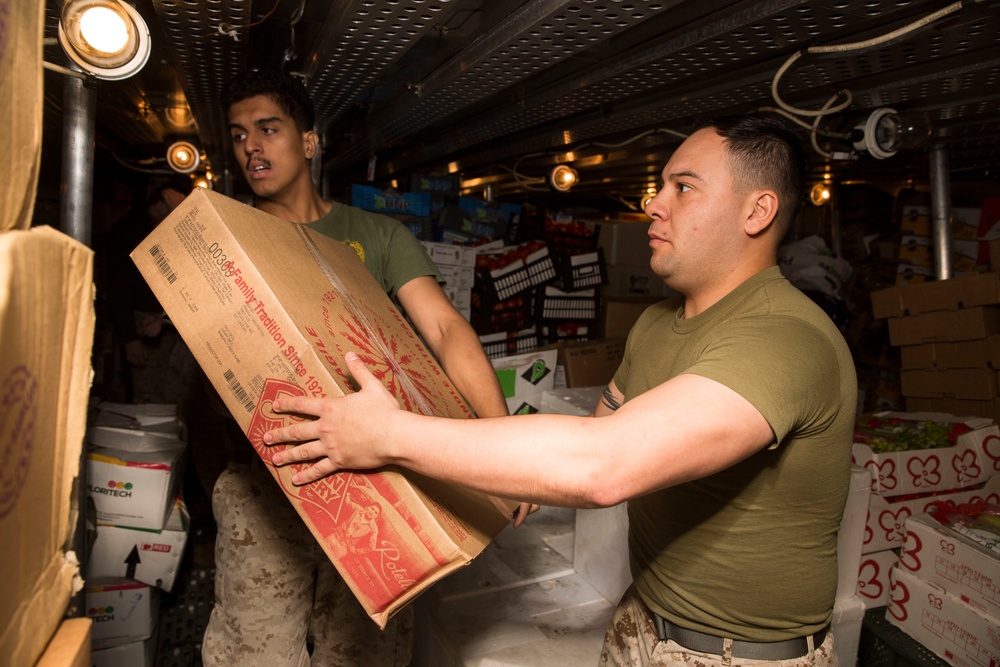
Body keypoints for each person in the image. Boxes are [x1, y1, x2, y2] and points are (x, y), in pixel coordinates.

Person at [262, 112, 858, 667]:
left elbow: (602, 465)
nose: (653, 204)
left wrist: (389, 435)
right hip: (644, 615)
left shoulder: (785, 338)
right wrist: (507, 477)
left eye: (684, 188)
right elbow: (594, 433)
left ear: (756, 212)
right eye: (661, 187)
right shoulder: (657, 324)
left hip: (739, 653)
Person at [202, 68, 525, 667]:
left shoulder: (374, 236)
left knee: (364, 656)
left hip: (373, 483)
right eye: (240, 133)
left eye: (268, 129)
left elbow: (447, 330)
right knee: (254, 653)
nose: (251, 146)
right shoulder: (222, 238)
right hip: (268, 483)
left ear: (308, 141)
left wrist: (497, 445)